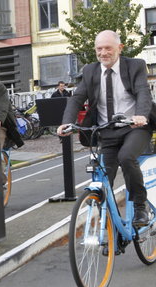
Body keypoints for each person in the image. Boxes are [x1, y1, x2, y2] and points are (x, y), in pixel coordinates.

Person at [58, 30, 154, 227]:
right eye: (99, 49)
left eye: (108, 48)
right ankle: (109, 230)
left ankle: (139, 207)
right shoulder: (90, 70)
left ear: (119, 48)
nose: (103, 53)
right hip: (107, 131)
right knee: (103, 179)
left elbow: (143, 92)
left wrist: (141, 116)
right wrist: (66, 121)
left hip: (134, 127)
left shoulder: (135, 66)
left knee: (127, 157)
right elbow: (77, 98)